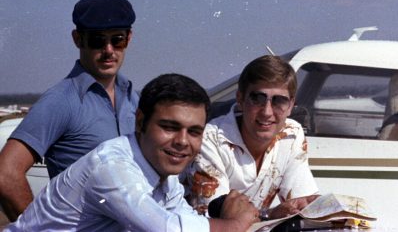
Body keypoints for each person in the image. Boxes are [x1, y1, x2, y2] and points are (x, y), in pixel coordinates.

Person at [4, 74, 259, 231]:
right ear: (140, 122)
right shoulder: (113, 167)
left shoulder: (163, 171)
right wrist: (234, 224)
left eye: (194, 132)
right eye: (169, 127)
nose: (182, 142)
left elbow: (184, 219)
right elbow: (166, 229)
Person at [0, 0, 139, 221]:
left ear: (129, 38)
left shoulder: (134, 99)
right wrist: (39, 227)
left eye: (117, 39)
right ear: (77, 39)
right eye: (97, 40)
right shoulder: (61, 101)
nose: (108, 50)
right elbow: (6, 174)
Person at [181, 55, 319, 220]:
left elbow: (305, 205)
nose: (267, 112)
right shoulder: (210, 140)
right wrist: (270, 214)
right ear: (240, 99)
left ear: (290, 106)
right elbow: (215, 218)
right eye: (257, 99)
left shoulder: (292, 134)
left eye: (279, 101)